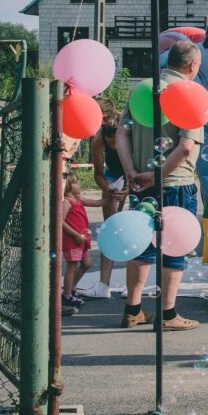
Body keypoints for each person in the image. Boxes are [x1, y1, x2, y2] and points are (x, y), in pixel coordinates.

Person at [115, 41, 204, 331]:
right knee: (174, 246)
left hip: (140, 183)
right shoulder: (190, 94)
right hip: (175, 183)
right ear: (193, 65)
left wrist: (131, 171)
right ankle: (168, 314)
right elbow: (186, 147)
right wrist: (158, 175)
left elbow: (121, 134)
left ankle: (133, 310)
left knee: (140, 246)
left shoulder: (143, 89)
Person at [79, 106, 128, 299]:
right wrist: (109, 190)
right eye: (111, 143)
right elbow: (98, 174)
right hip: (113, 175)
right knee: (110, 229)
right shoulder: (98, 141)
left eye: (117, 142)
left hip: (136, 171)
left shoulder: (130, 134)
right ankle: (103, 285)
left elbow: (140, 166)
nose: (114, 147)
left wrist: (129, 188)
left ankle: (132, 283)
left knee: (135, 227)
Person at [61, 172, 110, 311]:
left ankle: (71, 289)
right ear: (68, 186)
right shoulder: (66, 202)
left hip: (81, 240)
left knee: (86, 264)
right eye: (76, 182)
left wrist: (111, 195)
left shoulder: (78, 199)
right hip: (72, 240)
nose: (79, 184)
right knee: (72, 267)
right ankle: (66, 296)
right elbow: (60, 221)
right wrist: (76, 234)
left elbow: (98, 203)